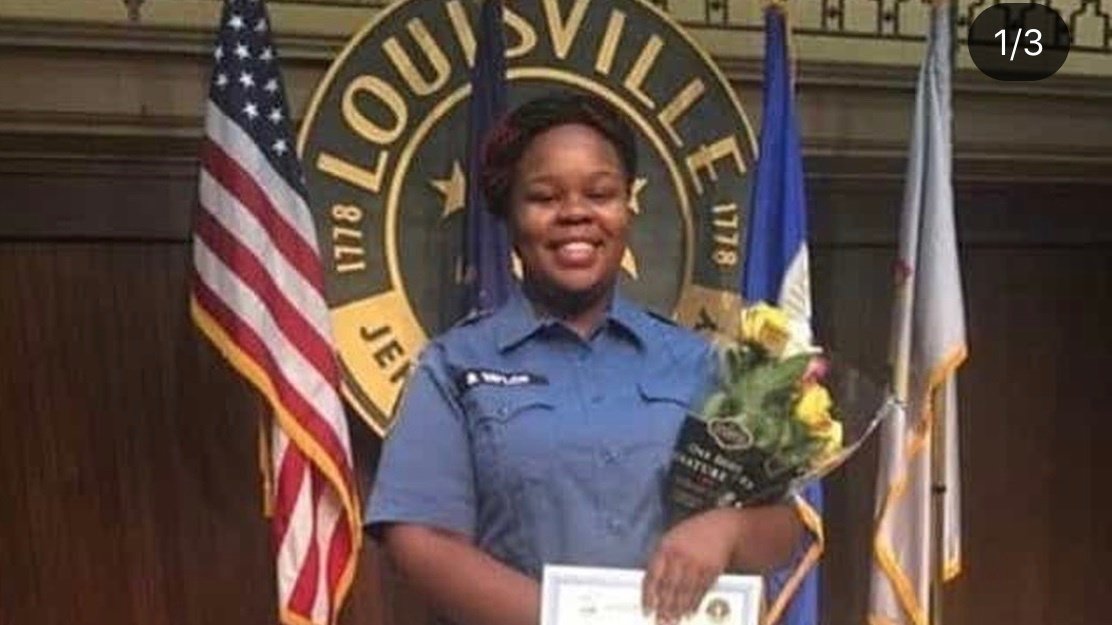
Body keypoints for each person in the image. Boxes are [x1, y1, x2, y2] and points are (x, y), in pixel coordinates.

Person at [366, 92, 802, 625]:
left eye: (600, 193)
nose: (576, 213)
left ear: (627, 208)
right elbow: (420, 540)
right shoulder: (453, 366)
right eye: (544, 197)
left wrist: (727, 531)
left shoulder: (698, 365)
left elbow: (783, 528)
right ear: (509, 215)